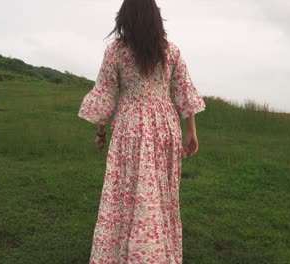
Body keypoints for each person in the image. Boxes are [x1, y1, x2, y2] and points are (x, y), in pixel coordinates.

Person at [78, 0, 206, 262]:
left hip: (130, 127)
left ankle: (128, 254)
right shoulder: (170, 51)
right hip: (165, 128)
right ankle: (156, 253)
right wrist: (191, 131)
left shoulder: (116, 51)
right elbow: (183, 92)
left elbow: (105, 95)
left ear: (125, 18)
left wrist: (101, 133)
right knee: (160, 193)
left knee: (125, 194)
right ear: (156, 19)